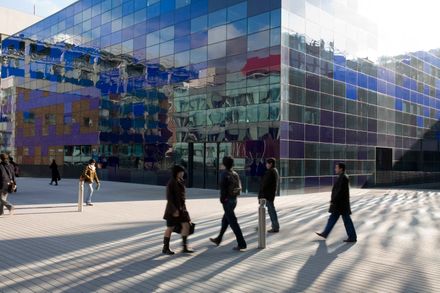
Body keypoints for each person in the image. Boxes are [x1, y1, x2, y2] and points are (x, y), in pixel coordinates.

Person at [210, 156, 247, 251]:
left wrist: (222, 199)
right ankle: (219, 238)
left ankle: (242, 243)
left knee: (233, 222)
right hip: (234, 200)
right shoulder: (235, 173)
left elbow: (223, 188)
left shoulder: (224, 174)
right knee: (225, 220)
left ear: (224, 164)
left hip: (227, 201)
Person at [316, 163, 357, 243]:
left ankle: (352, 237)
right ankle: (325, 233)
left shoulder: (343, 178)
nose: (335, 169)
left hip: (340, 204)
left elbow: (340, 191)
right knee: (334, 218)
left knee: (346, 220)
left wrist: (334, 200)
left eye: (336, 168)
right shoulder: (342, 177)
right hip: (340, 204)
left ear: (341, 169)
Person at [162, 165, 194, 255]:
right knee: (170, 228)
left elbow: (182, 199)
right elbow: (169, 198)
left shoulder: (181, 181)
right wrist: (174, 210)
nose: (182, 173)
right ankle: (165, 248)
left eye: (182, 172)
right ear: (176, 172)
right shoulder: (171, 183)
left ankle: (184, 247)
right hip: (173, 210)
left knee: (186, 225)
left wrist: (186, 214)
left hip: (182, 210)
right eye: (180, 172)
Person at [258, 158, 280, 233]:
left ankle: (275, 227)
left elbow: (264, 184)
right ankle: (275, 226)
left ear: (270, 164)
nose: (266, 165)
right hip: (270, 194)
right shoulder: (274, 171)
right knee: (271, 210)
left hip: (267, 195)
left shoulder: (270, 172)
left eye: (267, 163)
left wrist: (261, 194)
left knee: (271, 210)